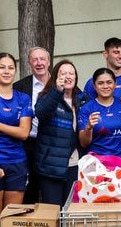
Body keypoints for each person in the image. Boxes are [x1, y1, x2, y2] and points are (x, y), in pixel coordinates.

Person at [34, 60, 89, 208]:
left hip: (74, 164)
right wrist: (57, 91)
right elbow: (41, 113)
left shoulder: (82, 100)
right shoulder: (47, 96)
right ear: (55, 77)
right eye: (63, 73)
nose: (68, 76)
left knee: (71, 211)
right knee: (53, 211)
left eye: (71, 73)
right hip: (51, 166)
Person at [13, 47, 51, 204]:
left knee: (51, 189)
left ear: (49, 62)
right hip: (28, 144)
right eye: (35, 59)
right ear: (29, 63)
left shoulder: (61, 83)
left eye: (42, 59)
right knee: (30, 191)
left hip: (53, 145)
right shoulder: (19, 87)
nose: (39, 63)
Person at [79, 68, 121, 159]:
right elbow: (84, 143)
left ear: (115, 84)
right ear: (94, 86)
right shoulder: (87, 109)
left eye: (109, 82)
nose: (105, 86)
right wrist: (89, 127)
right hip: (98, 164)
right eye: (100, 83)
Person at [0, 52, 34, 210]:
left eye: (11, 68)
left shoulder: (23, 98)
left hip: (17, 163)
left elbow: (23, 133)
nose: (6, 71)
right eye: (2, 67)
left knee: (10, 216)